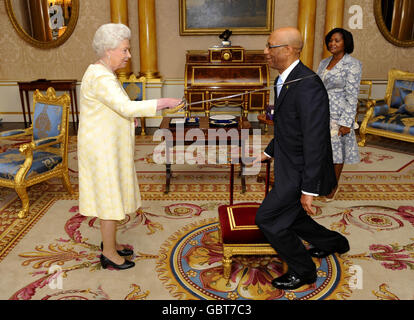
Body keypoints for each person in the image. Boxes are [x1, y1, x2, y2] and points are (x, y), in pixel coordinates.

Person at [78, 23, 181, 270]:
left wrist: (128, 117)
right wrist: (163, 102)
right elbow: (124, 107)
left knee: (111, 196)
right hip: (101, 149)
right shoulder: (101, 76)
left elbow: (113, 106)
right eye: (124, 50)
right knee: (109, 200)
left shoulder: (102, 71)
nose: (129, 56)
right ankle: (109, 254)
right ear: (108, 50)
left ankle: (110, 243)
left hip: (105, 145)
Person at [254, 27, 349, 290]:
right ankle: (334, 242)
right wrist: (268, 151)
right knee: (292, 216)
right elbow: (288, 127)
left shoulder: (308, 84)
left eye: (269, 46)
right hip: (286, 161)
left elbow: (315, 139)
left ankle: (304, 270)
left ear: (288, 50)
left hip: (300, 170)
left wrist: (309, 189)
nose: (265, 52)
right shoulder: (283, 79)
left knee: (268, 218)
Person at [317, 28, 362, 200]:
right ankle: (321, 180)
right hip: (321, 111)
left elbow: (352, 95)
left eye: (337, 40)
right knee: (322, 149)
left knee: (336, 152)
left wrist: (346, 122)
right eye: (330, 40)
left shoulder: (353, 64)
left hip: (339, 113)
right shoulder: (324, 63)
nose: (332, 44)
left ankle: (332, 186)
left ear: (346, 43)